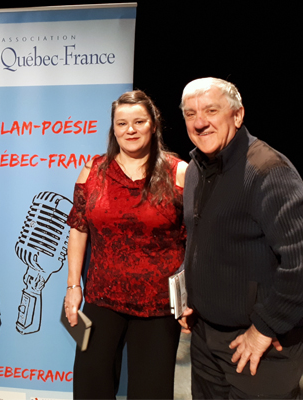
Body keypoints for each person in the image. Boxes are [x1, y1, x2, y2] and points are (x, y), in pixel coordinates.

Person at [178, 77, 303, 398]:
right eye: (190, 114)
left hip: (259, 346)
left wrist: (265, 327)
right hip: (205, 339)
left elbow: (299, 261)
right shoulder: (195, 169)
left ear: (237, 115)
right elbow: (203, 244)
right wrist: (192, 295)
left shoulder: (268, 170)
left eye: (210, 110)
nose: (200, 122)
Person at [64, 90, 188, 399]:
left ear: (153, 125)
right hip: (100, 298)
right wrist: (72, 288)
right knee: (90, 388)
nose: (129, 130)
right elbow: (79, 228)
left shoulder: (179, 173)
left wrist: (190, 297)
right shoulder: (93, 171)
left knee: (151, 392)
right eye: (121, 123)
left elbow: (196, 241)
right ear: (113, 128)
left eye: (138, 122)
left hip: (158, 306)